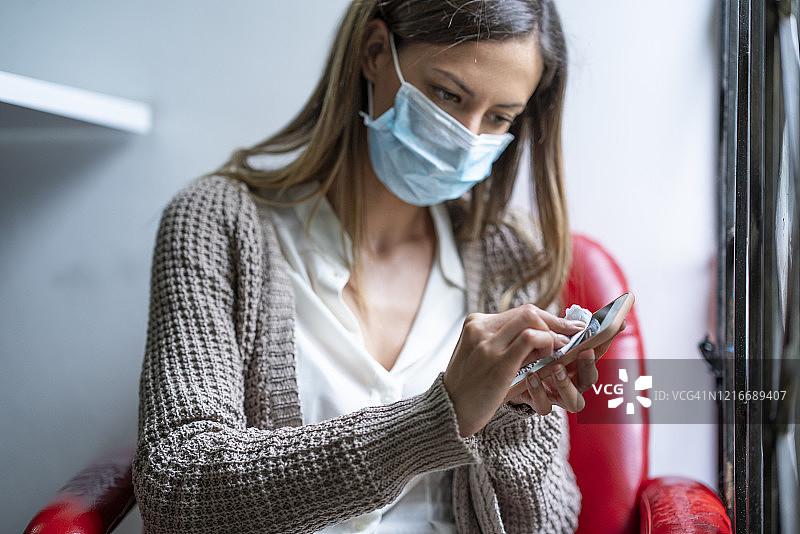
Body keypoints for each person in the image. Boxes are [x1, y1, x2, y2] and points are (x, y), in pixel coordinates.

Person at [133, 1, 607, 532]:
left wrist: (511, 417)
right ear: (376, 52)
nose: (467, 137)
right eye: (448, 95)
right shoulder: (216, 223)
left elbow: (552, 525)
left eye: (499, 118)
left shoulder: (512, 256)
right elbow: (179, 491)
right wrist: (437, 418)